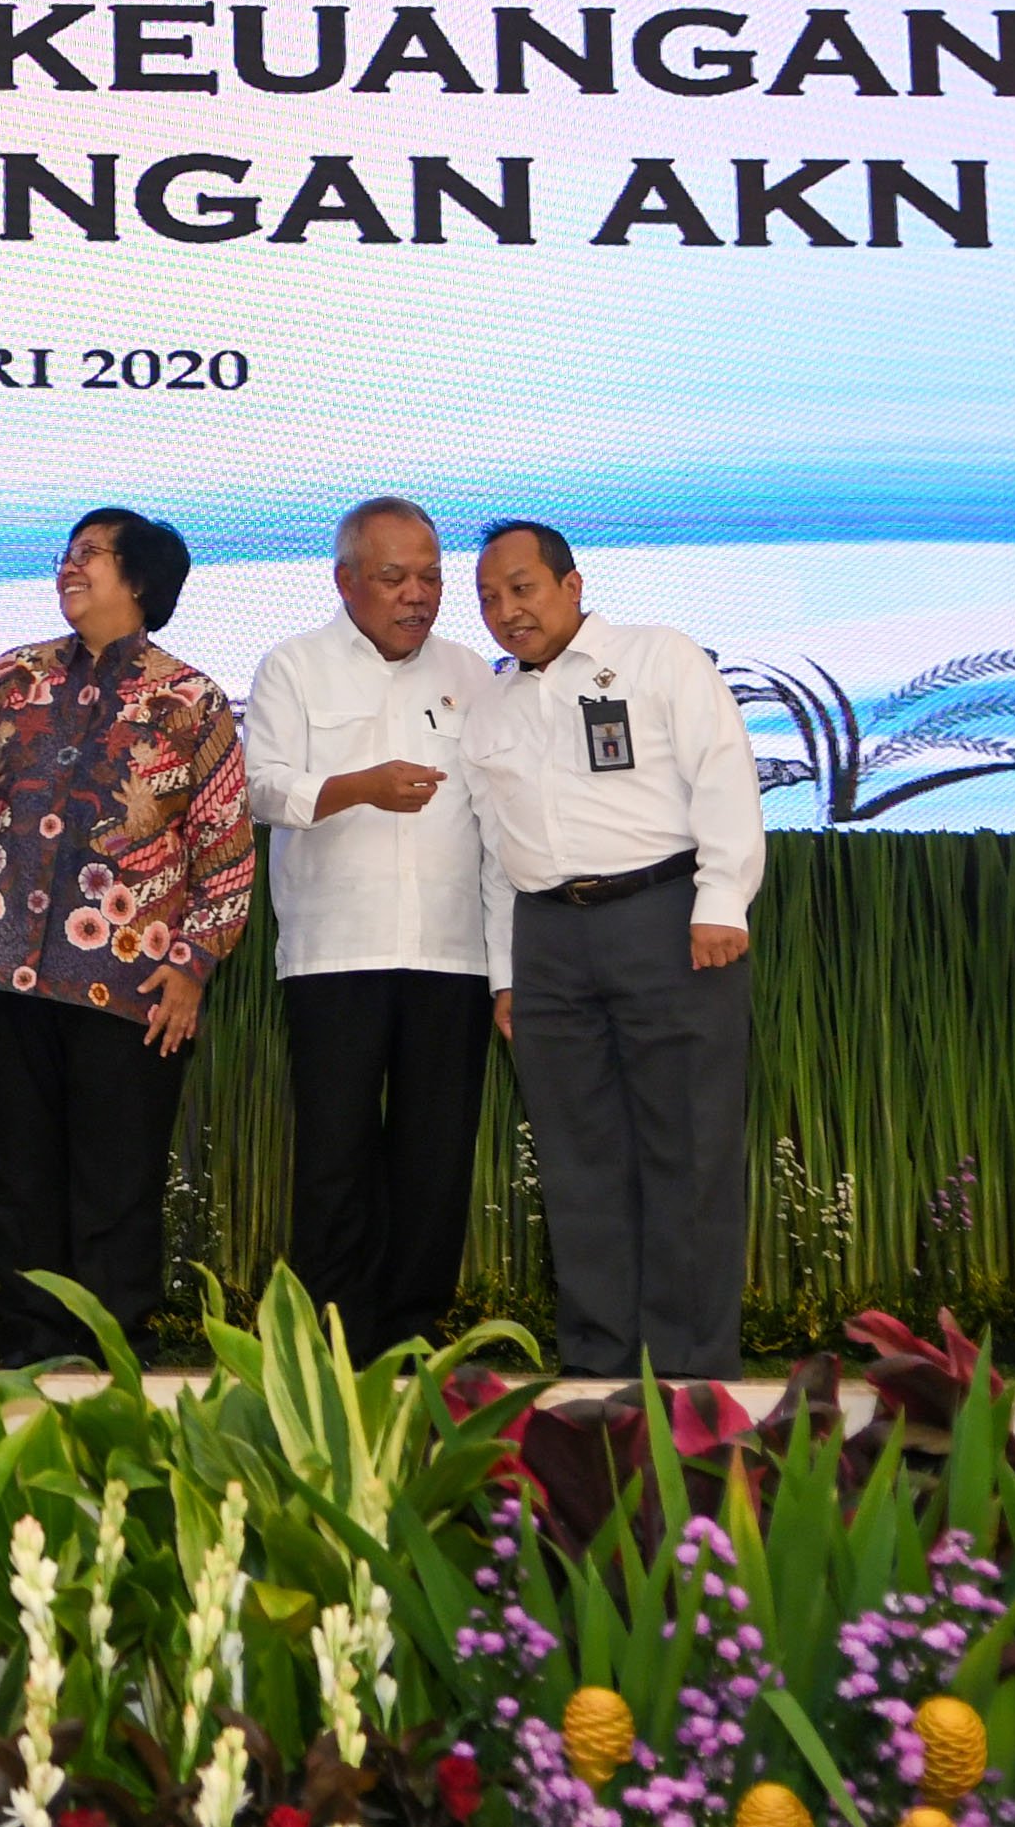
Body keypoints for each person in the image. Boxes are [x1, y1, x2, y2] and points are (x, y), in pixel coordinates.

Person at [0, 507, 254, 1358]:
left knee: (119, 1169)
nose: (70, 567)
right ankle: (31, 1332)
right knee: (17, 1164)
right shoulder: (14, 678)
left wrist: (193, 965)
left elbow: (223, 848)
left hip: (135, 975)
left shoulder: (191, 697)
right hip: (1, 964)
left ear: (141, 580)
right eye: (67, 553)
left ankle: (115, 1339)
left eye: (91, 555)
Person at [456, 519, 767, 1379]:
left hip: (666, 919)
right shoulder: (489, 706)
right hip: (547, 938)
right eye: (488, 598)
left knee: (689, 1150)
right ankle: (596, 1363)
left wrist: (722, 898)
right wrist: (506, 975)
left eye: (522, 588)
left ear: (571, 585)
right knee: (576, 1157)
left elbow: (723, 772)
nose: (506, 612)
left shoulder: (659, 658)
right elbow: (491, 850)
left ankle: (692, 1372)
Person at [239, 496, 502, 1358]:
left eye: (430, 576)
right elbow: (263, 787)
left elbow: (504, 816)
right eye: (394, 577)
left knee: (435, 1161)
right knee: (335, 1157)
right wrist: (359, 786)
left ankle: (412, 1334)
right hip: (334, 953)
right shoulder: (295, 666)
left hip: (452, 953)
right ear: (346, 580)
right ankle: (328, 1341)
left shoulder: (476, 672)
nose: (417, 594)